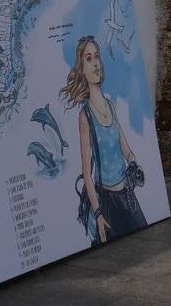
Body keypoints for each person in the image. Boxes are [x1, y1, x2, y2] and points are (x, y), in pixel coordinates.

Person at [61, 36, 146, 245]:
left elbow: (126, 149)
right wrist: (98, 213)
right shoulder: (85, 116)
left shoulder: (110, 105)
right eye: (88, 59)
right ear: (82, 69)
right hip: (106, 202)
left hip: (127, 196)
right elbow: (87, 175)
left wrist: (134, 164)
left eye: (97, 56)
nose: (96, 62)